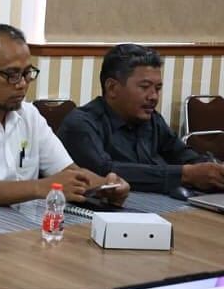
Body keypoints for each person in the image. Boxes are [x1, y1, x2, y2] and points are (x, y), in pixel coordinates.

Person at [0, 24, 129, 211]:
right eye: (12, 74)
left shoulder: (29, 115)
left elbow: (68, 173)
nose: (22, 84)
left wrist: (105, 185)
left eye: (27, 73)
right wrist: (41, 187)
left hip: (21, 229)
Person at [58, 44, 224, 194]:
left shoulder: (152, 120)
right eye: (144, 87)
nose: (153, 97)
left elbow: (183, 155)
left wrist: (212, 168)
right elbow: (104, 172)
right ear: (112, 88)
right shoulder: (81, 124)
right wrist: (184, 175)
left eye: (158, 88)